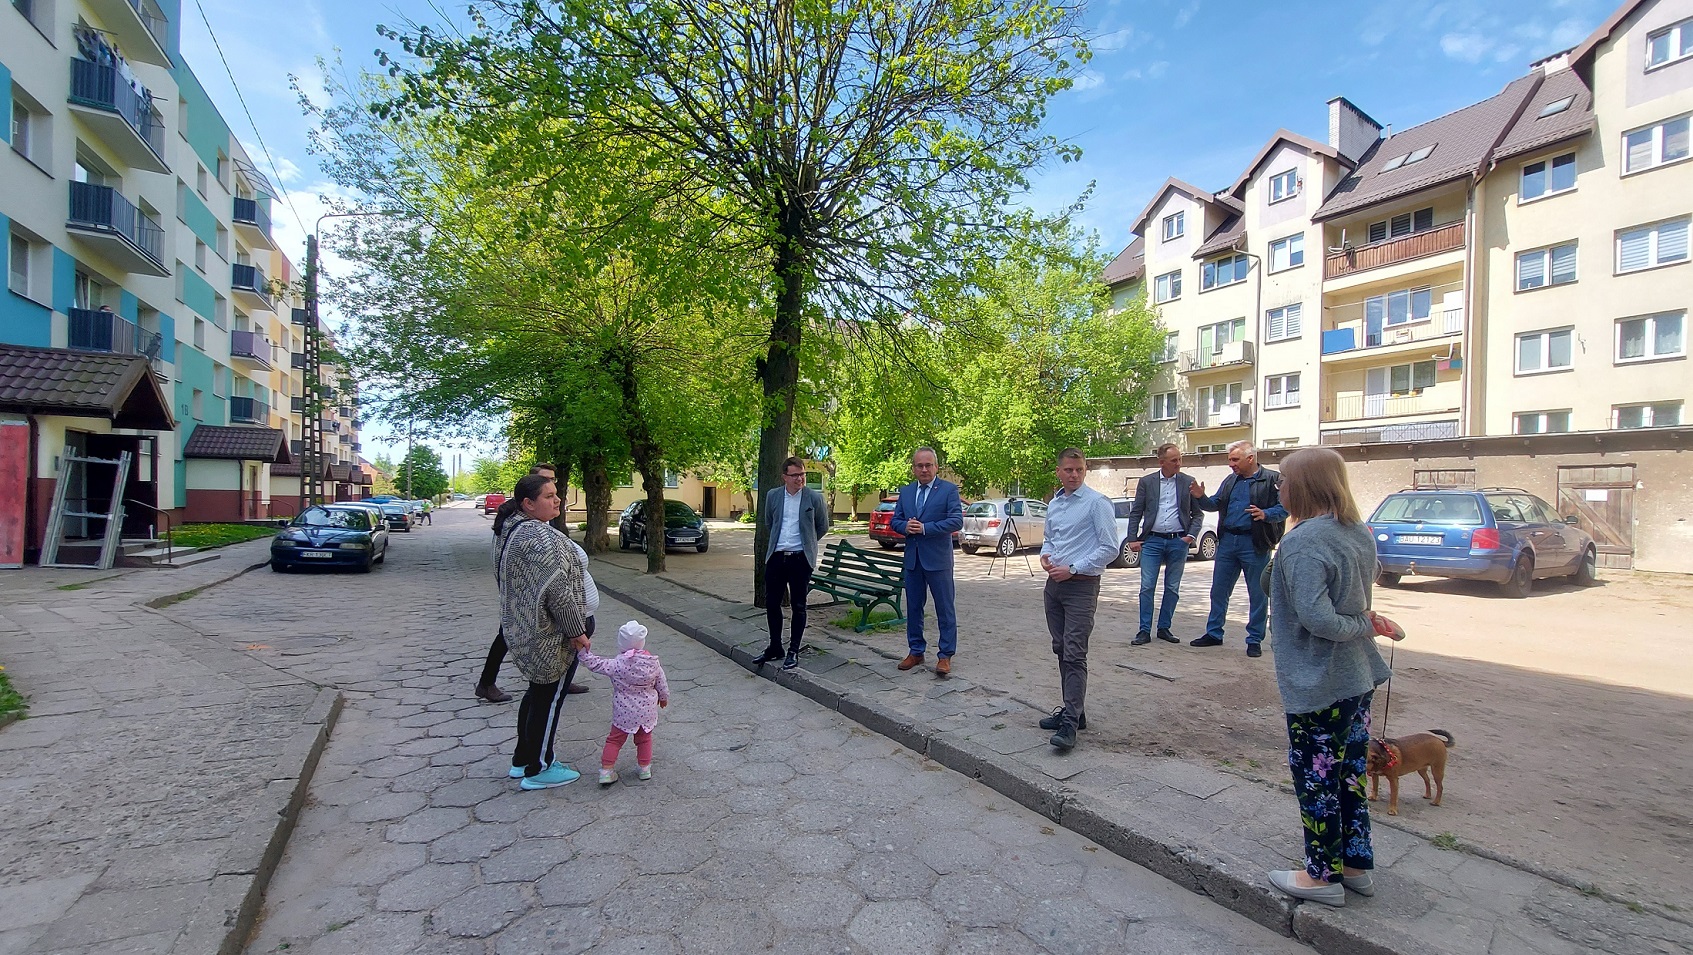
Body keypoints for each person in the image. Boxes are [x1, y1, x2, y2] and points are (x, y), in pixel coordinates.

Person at [1264, 447, 1404, 906]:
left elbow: (1317, 619)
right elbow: (1363, 579)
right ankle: (1356, 865)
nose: (1278, 488)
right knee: (1347, 775)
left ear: (1304, 486)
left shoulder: (1306, 540)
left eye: (1283, 480)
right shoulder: (1356, 531)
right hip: (1356, 676)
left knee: (1316, 778)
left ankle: (1321, 876)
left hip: (1319, 679)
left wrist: (1362, 623)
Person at [492, 473, 591, 790]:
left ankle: (522, 759)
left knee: (537, 695)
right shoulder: (537, 538)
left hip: (529, 632)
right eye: (549, 496)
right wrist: (577, 632)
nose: (558, 499)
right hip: (549, 637)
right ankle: (540, 767)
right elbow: (557, 592)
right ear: (528, 503)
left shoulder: (515, 530)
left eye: (556, 493)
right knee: (548, 700)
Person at [475, 464, 592, 700]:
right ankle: (488, 682)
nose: (554, 492)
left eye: (554, 482)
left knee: (509, 638)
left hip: (534, 605)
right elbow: (552, 584)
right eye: (546, 485)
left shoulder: (539, 518)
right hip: (533, 606)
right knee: (507, 638)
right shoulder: (523, 524)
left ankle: (559, 680)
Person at [1036, 449, 1120, 751]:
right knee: (1060, 648)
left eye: (1079, 470)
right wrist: (1046, 555)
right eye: (1068, 470)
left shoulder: (1097, 503)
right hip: (1054, 586)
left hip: (1081, 586)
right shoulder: (1055, 504)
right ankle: (1075, 710)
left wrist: (1073, 568)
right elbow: (1050, 537)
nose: (1074, 475)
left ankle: (1070, 724)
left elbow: (1110, 547)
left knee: (1074, 652)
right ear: (1058, 472)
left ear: (1085, 471)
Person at [1190, 440, 1287, 658]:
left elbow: (1285, 508)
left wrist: (1266, 514)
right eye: (1229, 460)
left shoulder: (1272, 479)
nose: (1231, 464)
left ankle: (1254, 639)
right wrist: (1200, 497)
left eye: (1235, 459)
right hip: (1227, 542)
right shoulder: (1230, 480)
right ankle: (1214, 633)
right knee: (1219, 590)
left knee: (1258, 593)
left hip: (1255, 542)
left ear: (1250, 458)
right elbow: (1214, 504)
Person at [890, 447, 964, 676]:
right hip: (913, 560)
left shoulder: (949, 490)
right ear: (913, 468)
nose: (924, 469)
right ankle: (916, 651)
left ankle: (945, 655)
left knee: (944, 608)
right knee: (913, 608)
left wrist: (925, 528)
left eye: (928, 465)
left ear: (936, 467)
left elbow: (956, 521)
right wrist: (905, 527)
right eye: (919, 465)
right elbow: (896, 521)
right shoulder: (906, 491)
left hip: (938, 561)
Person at [1124, 444, 1204, 646]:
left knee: (1172, 587)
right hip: (1152, 540)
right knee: (1147, 586)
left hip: (1178, 541)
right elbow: (1136, 512)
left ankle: (1164, 627)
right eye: (1174, 460)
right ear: (1162, 463)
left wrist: (1191, 536)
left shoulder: (1188, 482)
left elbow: (1198, 514)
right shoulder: (1147, 482)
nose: (1179, 463)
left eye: (1180, 459)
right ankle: (1144, 630)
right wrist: (1132, 538)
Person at [756, 457, 831, 672]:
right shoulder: (773, 496)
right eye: (795, 475)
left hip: (800, 559)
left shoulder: (814, 498)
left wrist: (806, 543)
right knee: (772, 604)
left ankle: (793, 650)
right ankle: (775, 646)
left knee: (799, 605)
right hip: (777, 556)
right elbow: (770, 522)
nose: (800, 478)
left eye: (802, 474)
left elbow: (822, 526)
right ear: (784, 477)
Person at [576, 620, 670, 785]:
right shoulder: (653, 662)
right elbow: (661, 682)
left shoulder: (617, 664)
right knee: (644, 738)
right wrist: (663, 697)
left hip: (623, 712)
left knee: (615, 740)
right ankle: (644, 768)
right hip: (646, 711)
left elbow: (595, 664)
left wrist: (583, 653)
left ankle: (606, 770)